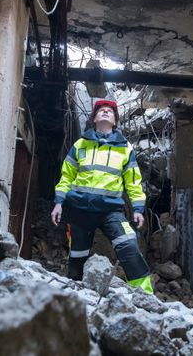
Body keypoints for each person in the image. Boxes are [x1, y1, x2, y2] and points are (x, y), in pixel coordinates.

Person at [50, 99, 153, 294]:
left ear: (115, 121)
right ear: (94, 118)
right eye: (101, 110)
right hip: (79, 210)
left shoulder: (125, 148)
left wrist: (138, 209)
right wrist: (58, 202)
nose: (105, 112)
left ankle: (145, 295)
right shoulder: (81, 144)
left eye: (110, 111)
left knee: (129, 246)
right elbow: (66, 177)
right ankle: (77, 295)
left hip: (111, 211)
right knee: (77, 257)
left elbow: (133, 182)